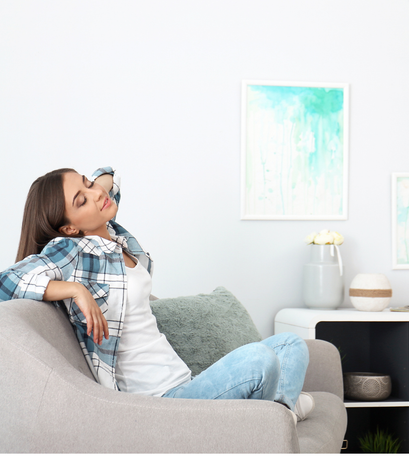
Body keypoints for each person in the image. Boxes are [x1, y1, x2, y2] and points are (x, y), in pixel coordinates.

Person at [0, 166, 314, 421]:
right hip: (158, 404)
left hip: (186, 383)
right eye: (81, 200)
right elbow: (6, 281)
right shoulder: (73, 250)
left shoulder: (112, 236)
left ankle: (276, 417)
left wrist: (94, 185)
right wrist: (75, 289)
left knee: (290, 344)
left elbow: (110, 179)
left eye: (88, 183)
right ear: (68, 228)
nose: (97, 194)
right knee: (259, 359)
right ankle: (277, 416)